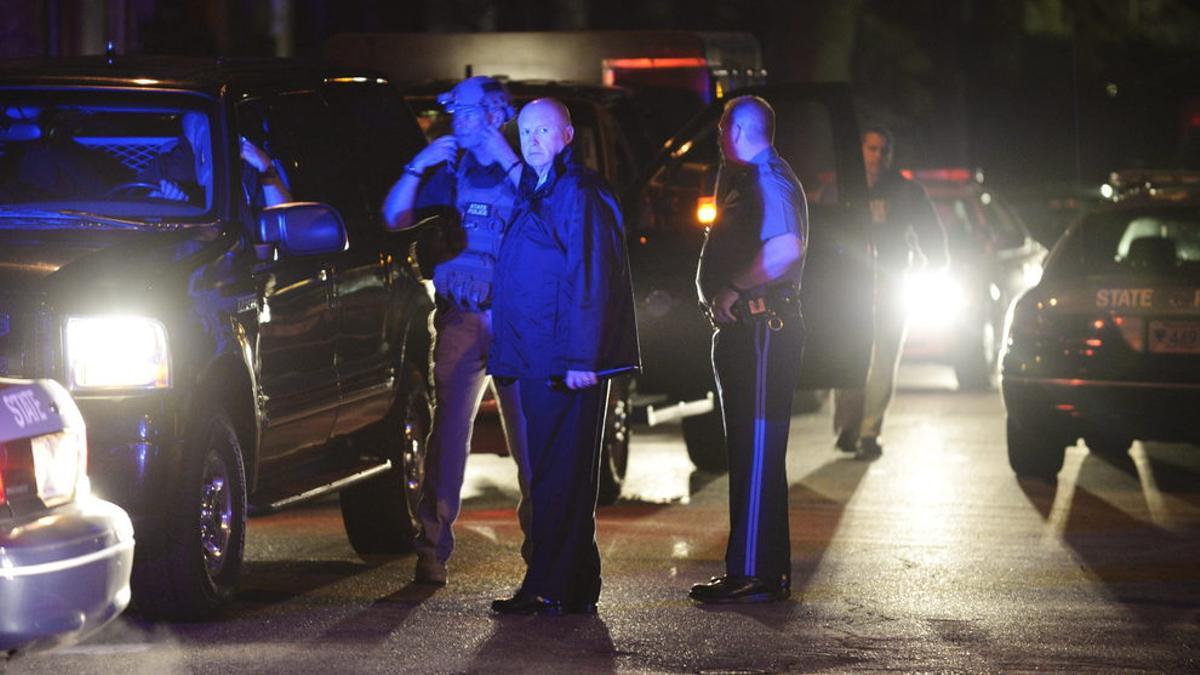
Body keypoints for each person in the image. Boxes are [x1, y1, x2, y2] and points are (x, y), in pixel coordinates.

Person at [488, 98, 639, 615]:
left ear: (568, 135)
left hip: (561, 359)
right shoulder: (537, 190)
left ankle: (547, 585)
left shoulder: (578, 192)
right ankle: (573, 583)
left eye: (543, 130)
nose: (531, 140)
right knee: (558, 472)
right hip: (535, 355)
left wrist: (581, 357)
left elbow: (591, 275)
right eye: (526, 131)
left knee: (558, 475)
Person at [380, 76, 530, 587]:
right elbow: (395, 216)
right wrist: (419, 164)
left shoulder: (523, 163)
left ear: (493, 114)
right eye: (454, 113)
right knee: (447, 437)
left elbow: (545, 208)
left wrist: (503, 153)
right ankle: (432, 549)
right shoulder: (449, 168)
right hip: (461, 319)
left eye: (467, 112)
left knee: (530, 442)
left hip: (513, 321)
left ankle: (546, 553)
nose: (456, 122)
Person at [687, 96, 807, 605]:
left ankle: (756, 573)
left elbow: (786, 247)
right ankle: (754, 567)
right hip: (748, 332)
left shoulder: (769, 179)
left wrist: (734, 288)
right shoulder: (744, 177)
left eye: (721, 125)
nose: (717, 133)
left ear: (740, 128)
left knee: (756, 452)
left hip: (763, 328)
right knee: (748, 451)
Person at [832, 126, 947, 458]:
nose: (878, 156)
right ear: (860, 150)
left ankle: (868, 433)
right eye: (872, 148)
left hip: (892, 286)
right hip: (849, 289)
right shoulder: (840, 187)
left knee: (883, 361)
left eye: (884, 150)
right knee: (849, 358)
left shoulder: (906, 191)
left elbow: (930, 234)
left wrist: (935, 265)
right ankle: (849, 426)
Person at [142, 111, 290, 208]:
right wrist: (156, 201)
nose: (205, 139)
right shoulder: (165, 166)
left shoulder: (245, 167)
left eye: (208, 130)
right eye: (196, 132)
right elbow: (134, 203)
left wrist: (265, 166)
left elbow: (283, 221)